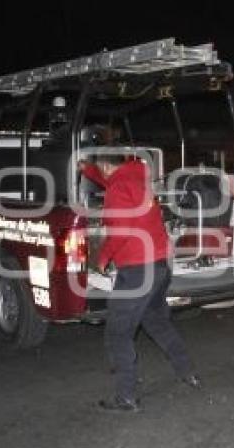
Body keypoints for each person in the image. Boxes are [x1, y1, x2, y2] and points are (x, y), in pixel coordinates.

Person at [79, 155, 201, 412]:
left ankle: (126, 396)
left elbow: (122, 230)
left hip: (137, 270)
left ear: (105, 166)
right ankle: (187, 372)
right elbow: (107, 176)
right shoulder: (137, 176)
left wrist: (102, 258)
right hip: (159, 266)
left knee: (118, 332)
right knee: (157, 322)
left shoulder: (117, 188)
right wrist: (88, 170)